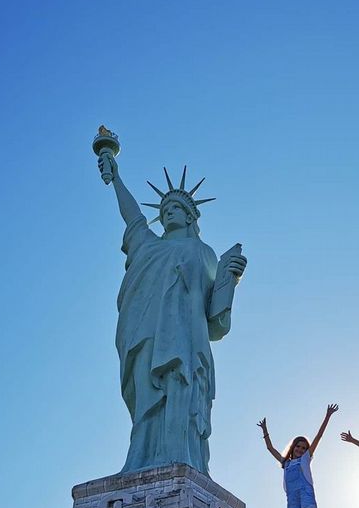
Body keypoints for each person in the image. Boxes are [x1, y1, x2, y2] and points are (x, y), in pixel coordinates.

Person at [97, 152, 247, 474]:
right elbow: (133, 218)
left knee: (182, 392)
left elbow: (215, 322)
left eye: (175, 208)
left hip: (186, 339)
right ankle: (139, 461)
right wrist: (116, 178)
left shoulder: (203, 252)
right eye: (164, 211)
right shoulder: (148, 247)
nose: (168, 214)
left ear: (191, 216)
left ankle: (182, 460)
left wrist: (229, 281)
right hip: (146, 333)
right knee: (147, 400)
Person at [258, 405, 339, 508]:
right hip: (292, 498)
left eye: (303, 448)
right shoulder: (285, 463)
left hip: (306, 495)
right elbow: (270, 448)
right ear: (293, 447)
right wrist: (265, 430)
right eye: (298, 447)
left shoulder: (306, 459)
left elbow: (319, 436)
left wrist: (328, 416)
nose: (300, 450)